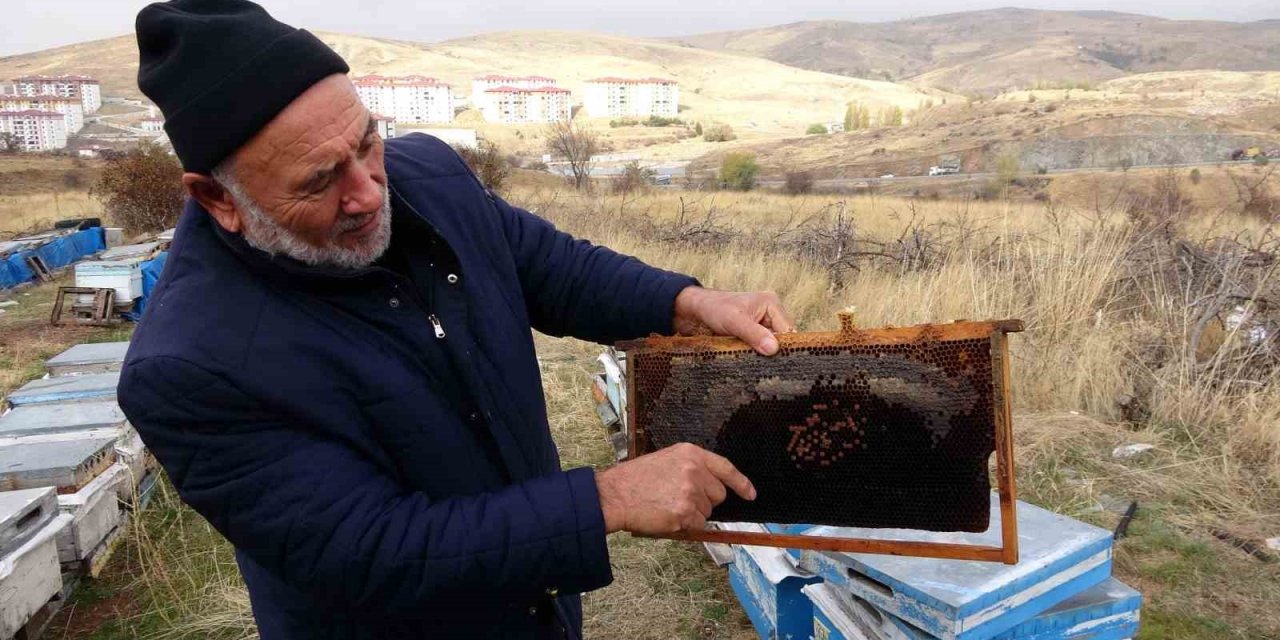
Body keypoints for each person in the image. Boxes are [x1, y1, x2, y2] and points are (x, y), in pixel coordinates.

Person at [119, 1, 795, 638]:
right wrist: (606, 500)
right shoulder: (186, 366)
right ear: (218, 198)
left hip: (538, 605)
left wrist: (688, 304)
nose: (368, 193)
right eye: (319, 181)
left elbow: (548, 266)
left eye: (367, 143)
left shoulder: (429, 174)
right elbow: (370, 551)